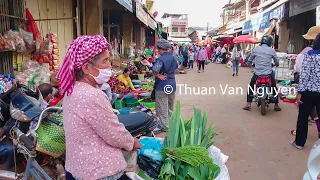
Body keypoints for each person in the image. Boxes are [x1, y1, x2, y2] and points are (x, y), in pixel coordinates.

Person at [56, 35, 142, 180]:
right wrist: (132, 142)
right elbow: (113, 133)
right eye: (105, 61)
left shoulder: (72, 90)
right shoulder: (92, 95)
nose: (110, 66)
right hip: (100, 172)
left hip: (77, 168)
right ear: (87, 68)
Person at [291, 33, 320, 150]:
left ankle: (299, 143)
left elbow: (305, 75)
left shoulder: (309, 55)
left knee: (303, 117)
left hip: (308, 92)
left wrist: (299, 92)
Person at [243, 35, 281, 111]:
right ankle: (276, 104)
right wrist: (276, 64)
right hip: (268, 73)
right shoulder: (272, 50)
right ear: (270, 42)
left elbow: (250, 60)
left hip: (257, 73)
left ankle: (248, 104)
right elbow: (277, 61)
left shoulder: (255, 50)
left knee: (251, 85)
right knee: (274, 86)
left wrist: (249, 63)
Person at [152, 39, 178, 131]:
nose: (158, 51)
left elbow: (155, 70)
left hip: (162, 86)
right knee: (170, 106)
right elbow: (176, 67)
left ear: (162, 49)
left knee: (162, 107)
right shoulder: (174, 57)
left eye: (158, 49)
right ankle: (171, 123)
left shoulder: (161, 59)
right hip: (172, 85)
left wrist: (158, 75)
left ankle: (164, 127)